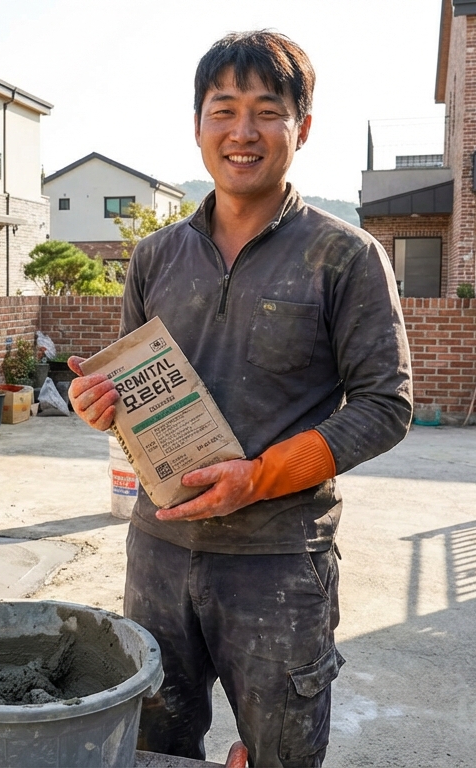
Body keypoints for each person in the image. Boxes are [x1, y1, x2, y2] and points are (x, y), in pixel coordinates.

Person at [67, 31, 413, 768]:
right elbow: (128, 392)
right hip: (157, 554)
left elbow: (386, 406)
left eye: (267, 111)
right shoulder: (154, 256)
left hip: (280, 564)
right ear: (198, 126)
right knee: (154, 747)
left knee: (282, 755)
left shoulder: (345, 256)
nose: (243, 132)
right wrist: (100, 405)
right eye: (223, 110)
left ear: (302, 128)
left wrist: (258, 477)